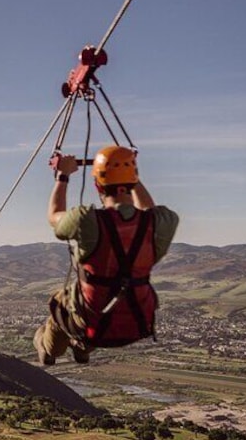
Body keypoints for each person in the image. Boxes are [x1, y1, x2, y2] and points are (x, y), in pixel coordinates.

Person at [34, 146, 178, 365]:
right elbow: (150, 211)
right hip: (136, 323)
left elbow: (54, 217)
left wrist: (62, 176)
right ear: (133, 181)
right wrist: (132, 175)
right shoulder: (161, 223)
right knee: (97, 305)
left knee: (59, 303)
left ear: (98, 185)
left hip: (91, 322)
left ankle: (48, 350)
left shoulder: (88, 221)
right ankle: (82, 349)